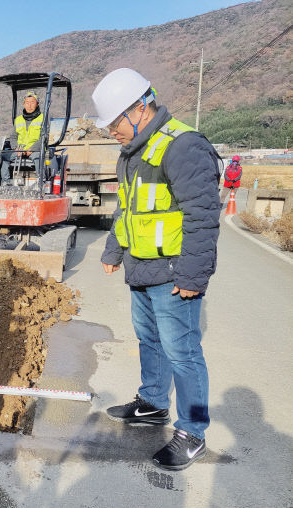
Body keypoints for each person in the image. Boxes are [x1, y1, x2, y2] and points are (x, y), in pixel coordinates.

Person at [92, 68, 221, 470]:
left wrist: (193, 277)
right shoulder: (132, 153)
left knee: (182, 353)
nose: (112, 130)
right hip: (142, 271)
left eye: (115, 122)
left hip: (173, 273)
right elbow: (126, 209)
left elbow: (203, 215)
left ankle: (193, 432)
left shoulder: (182, 146)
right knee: (149, 341)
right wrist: (114, 251)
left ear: (140, 108)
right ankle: (152, 403)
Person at [0, 91, 43, 183]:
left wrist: (32, 149)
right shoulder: (18, 120)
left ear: (37, 104)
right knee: (4, 157)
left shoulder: (43, 118)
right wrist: (16, 148)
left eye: (32, 102)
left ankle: (41, 183)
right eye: (27, 102)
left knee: (38, 158)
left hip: (35, 150)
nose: (29, 105)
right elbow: (13, 137)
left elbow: (44, 137)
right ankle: (6, 183)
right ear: (24, 104)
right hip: (20, 150)